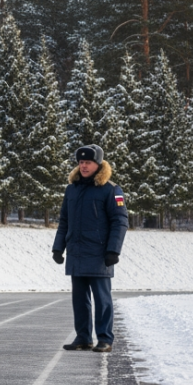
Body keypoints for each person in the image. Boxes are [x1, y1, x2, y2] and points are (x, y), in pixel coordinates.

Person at [52, 144, 128, 353]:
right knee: (80, 300)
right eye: (81, 162)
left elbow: (120, 222)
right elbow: (64, 221)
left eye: (88, 162)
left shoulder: (112, 190)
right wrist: (58, 248)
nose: (84, 166)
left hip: (99, 255)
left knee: (102, 299)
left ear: (98, 164)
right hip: (76, 254)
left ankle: (105, 338)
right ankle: (83, 338)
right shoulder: (72, 189)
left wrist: (114, 250)